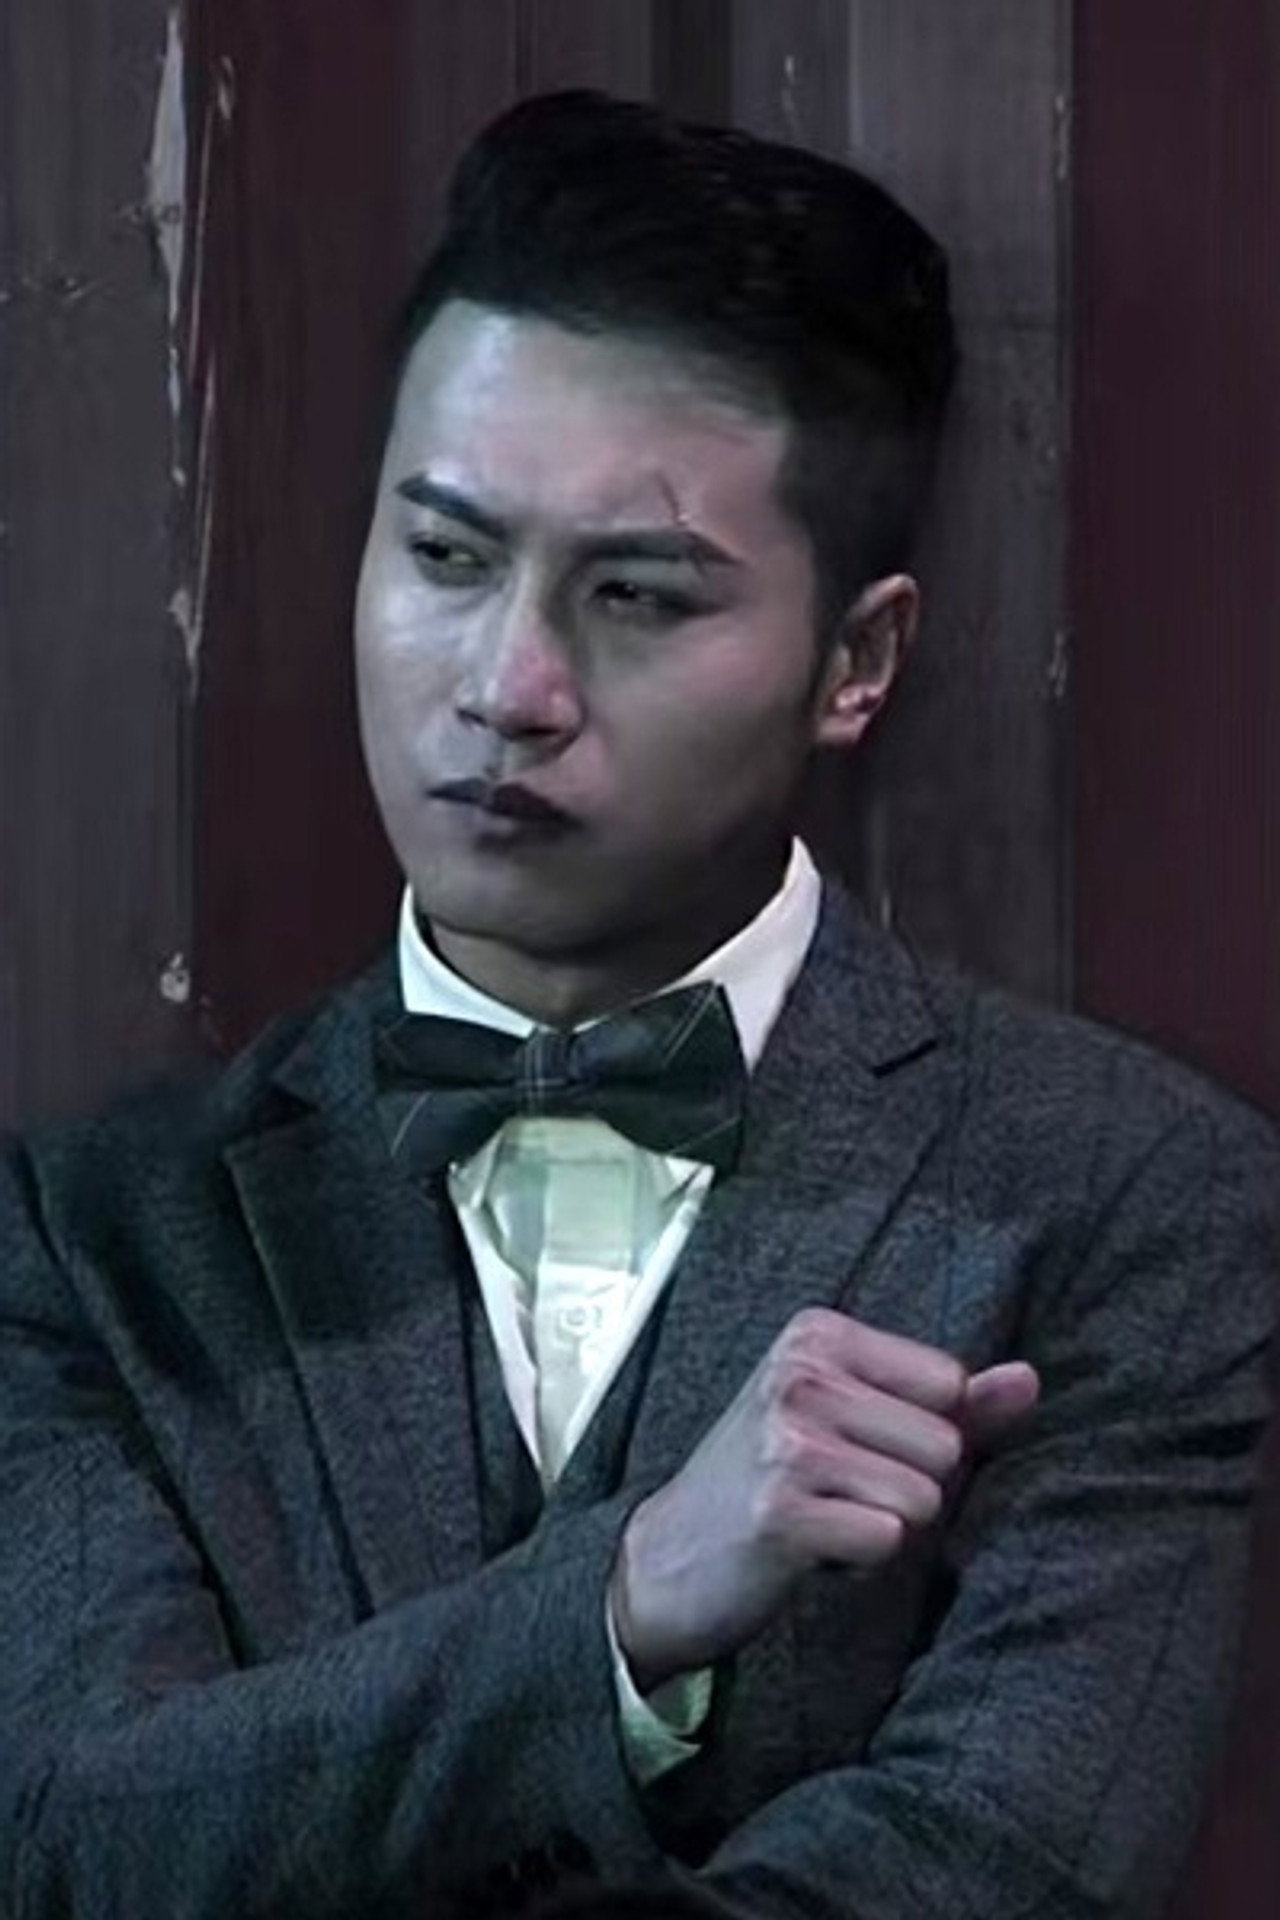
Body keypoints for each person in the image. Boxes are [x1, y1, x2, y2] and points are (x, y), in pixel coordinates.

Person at [0, 88, 1275, 1920]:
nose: (507, 687)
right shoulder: (85, 1237)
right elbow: (74, 1844)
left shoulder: (1129, 1198)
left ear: (857, 661)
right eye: (446, 557)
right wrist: (626, 1595)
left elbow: (997, 1863)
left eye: (637, 596)